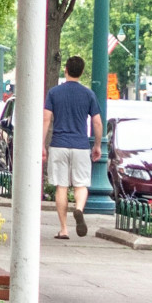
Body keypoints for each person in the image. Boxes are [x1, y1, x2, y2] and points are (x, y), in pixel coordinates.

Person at [44, 56, 103, 239]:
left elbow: (46, 119)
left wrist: (41, 145)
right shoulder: (88, 94)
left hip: (59, 145)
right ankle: (78, 208)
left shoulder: (54, 93)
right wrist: (97, 145)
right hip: (80, 145)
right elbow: (97, 122)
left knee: (61, 186)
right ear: (82, 72)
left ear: (66, 70)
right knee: (81, 184)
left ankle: (64, 229)